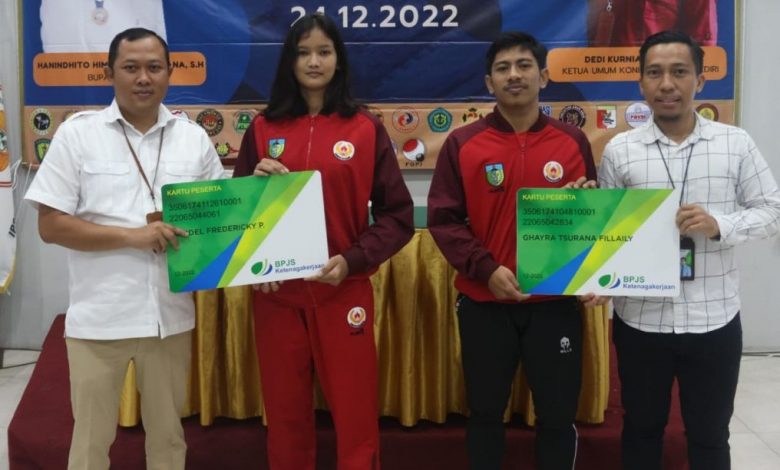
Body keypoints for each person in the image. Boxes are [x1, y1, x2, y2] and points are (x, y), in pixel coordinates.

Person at [24, 28, 224, 469]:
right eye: (131, 67)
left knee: (169, 442)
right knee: (90, 445)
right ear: (109, 73)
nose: (143, 78)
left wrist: (262, 196)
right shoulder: (78, 135)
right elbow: (50, 226)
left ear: (169, 73)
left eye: (154, 67)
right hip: (100, 320)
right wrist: (134, 236)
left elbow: (219, 222)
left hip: (170, 319)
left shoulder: (193, 139)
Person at [232, 13, 414, 470]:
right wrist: (255, 252)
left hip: (342, 291)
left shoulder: (364, 128)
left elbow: (397, 217)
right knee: (286, 416)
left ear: (339, 59)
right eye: (303, 52)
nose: (314, 62)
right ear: (289, 61)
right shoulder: (263, 128)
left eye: (324, 52)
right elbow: (238, 218)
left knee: (355, 414)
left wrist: (353, 260)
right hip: (277, 296)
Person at [599, 30, 780, 470]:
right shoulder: (620, 151)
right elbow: (607, 236)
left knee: (710, 436)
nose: (667, 84)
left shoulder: (735, 143)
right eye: (655, 73)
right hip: (641, 322)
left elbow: (772, 210)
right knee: (641, 431)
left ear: (700, 79)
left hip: (713, 320)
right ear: (640, 82)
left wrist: (721, 224)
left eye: (679, 72)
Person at [427, 31, 607, 470]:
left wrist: (585, 239)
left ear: (542, 76)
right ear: (489, 82)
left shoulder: (572, 141)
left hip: (554, 304)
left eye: (524, 65)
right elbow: (444, 220)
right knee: (485, 413)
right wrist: (486, 269)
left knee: (557, 416)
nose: (514, 75)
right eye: (503, 68)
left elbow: (588, 219)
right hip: (485, 301)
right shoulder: (462, 144)